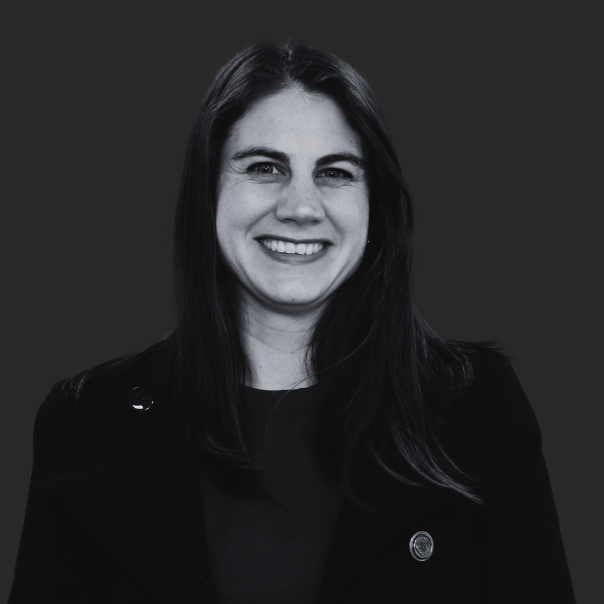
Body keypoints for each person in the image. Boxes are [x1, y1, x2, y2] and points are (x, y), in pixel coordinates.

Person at [9, 42, 575, 604]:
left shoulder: (479, 409)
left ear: (374, 207)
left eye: (335, 172)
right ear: (208, 192)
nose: (301, 207)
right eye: (264, 167)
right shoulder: (86, 423)